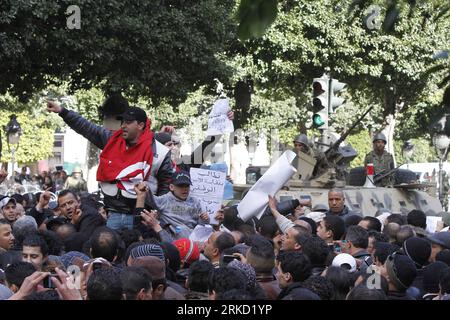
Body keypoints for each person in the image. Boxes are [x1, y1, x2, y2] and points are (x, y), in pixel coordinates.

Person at [47, 101, 173, 231]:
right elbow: (87, 128)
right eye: (122, 122)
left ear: (141, 125)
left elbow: (166, 187)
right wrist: (62, 111)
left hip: (144, 218)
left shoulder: (160, 151)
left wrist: (155, 212)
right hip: (114, 214)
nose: (123, 126)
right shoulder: (112, 140)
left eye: (128, 122)